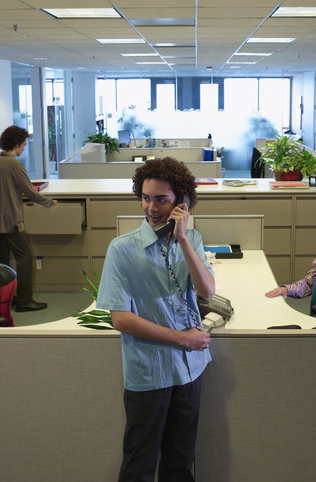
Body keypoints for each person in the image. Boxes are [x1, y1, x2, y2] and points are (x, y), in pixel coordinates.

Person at [97, 157, 216, 482]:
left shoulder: (191, 241)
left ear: (181, 202)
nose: (151, 207)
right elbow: (120, 318)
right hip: (149, 373)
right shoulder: (122, 250)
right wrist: (182, 338)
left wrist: (183, 239)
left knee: (180, 463)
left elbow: (206, 289)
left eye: (161, 199)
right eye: (146, 198)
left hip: (189, 370)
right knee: (139, 464)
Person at [0, 125, 57, 312]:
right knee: (25, 258)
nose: (24, 148)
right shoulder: (15, 165)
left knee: (3, 261)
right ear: (17, 144)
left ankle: (3, 299)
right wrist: (49, 202)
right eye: (24, 145)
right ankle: (24, 301)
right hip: (12, 222)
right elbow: (30, 191)